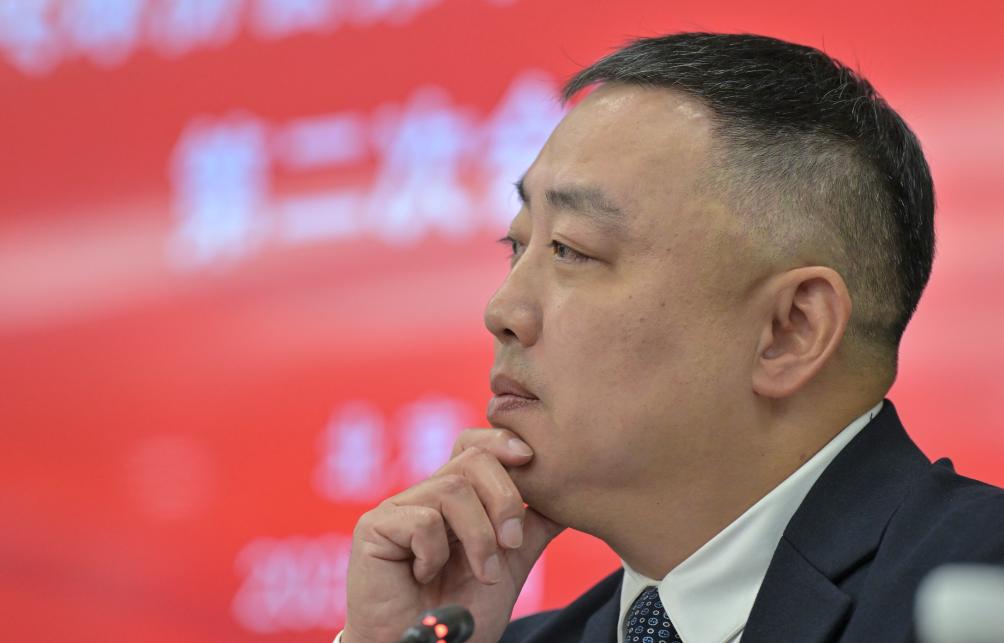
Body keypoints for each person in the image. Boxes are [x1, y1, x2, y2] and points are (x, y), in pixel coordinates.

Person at [336, 33, 1004, 643]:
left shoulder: (975, 596)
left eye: (571, 249)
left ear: (791, 329)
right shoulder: (491, 637)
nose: (502, 310)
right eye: (516, 247)